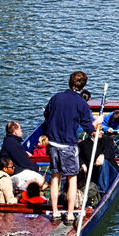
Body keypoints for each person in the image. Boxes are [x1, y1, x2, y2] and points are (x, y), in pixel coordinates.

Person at [41, 70, 100, 226]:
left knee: (55, 177)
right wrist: (94, 131)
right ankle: (69, 215)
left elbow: (47, 115)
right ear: (83, 86)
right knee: (72, 178)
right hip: (68, 145)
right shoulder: (81, 103)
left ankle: (54, 212)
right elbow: (87, 124)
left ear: (69, 82)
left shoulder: (56, 98)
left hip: (52, 143)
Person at [0, 121, 44, 193]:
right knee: (40, 179)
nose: (21, 131)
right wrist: (37, 168)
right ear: (15, 132)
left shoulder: (9, 141)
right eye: (20, 129)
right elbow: (25, 162)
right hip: (13, 174)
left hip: (12, 171)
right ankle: (21, 190)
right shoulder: (13, 144)